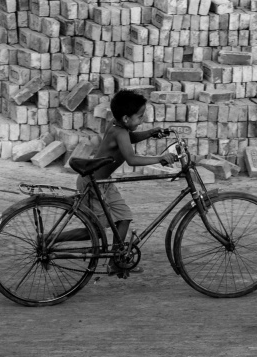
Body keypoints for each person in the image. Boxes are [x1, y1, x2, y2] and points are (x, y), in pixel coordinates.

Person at [64, 89, 176, 273]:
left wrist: (150, 133)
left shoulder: (116, 126)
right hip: (93, 184)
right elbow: (132, 159)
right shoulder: (120, 133)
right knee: (95, 231)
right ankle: (48, 239)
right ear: (126, 119)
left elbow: (130, 138)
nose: (142, 120)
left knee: (124, 217)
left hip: (104, 182)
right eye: (139, 117)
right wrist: (160, 158)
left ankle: (116, 261)